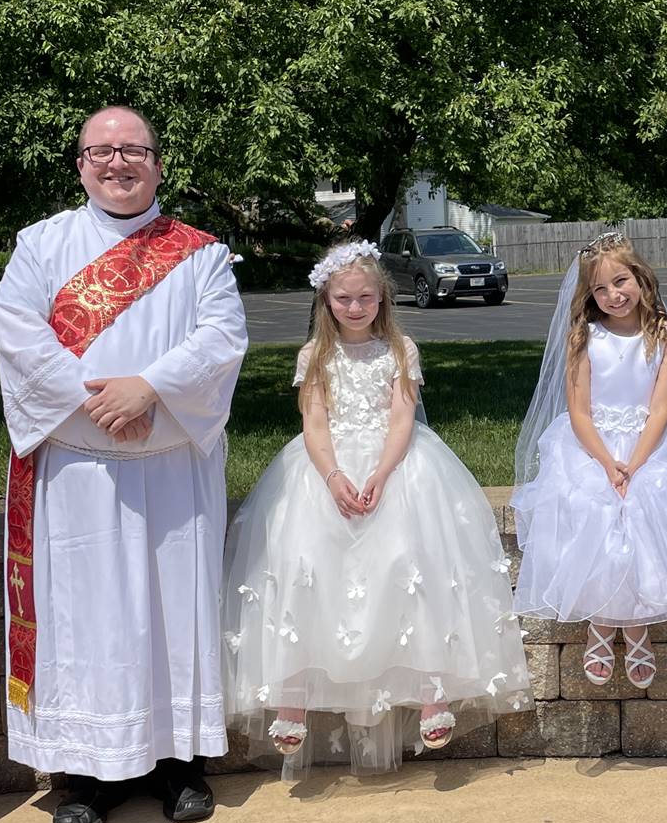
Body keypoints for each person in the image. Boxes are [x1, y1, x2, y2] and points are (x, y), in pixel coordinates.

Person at [0, 106, 247, 823]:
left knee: (173, 612)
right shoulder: (40, 245)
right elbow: (18, 337)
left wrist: (152, 391)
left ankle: (179, 766)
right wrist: (100, 404)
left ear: (158, 163)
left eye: (132, 150)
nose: (117, 163)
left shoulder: (200, 252)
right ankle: (82, 775)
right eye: (100, 151)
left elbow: (222, 339)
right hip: (77, 467)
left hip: (170, 464)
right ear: (80, 165)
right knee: (85, 620)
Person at [223, 242, 531, 776]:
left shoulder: (400, 350)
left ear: (382, 298)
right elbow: (314, 426)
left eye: (366, 297)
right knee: (306, 559)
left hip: (397, 464)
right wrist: (335, 476)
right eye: (344, 298)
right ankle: (292, 692)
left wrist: (383, 473)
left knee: (411, 561)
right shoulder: (314, 355)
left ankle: (432, 687)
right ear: (327, 300)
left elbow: (402, 421)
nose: (355, 307)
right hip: (326, 467)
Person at [512, 233, 667, 686]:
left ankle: (635, 627)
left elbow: (659, 409)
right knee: (596, 512)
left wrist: (634, 462)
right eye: (600, 289)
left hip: (651, 445)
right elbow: (579, 412)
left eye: (621, 281)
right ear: (589, 296)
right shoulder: (583, 339)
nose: (613, 295)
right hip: (591, 446)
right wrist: (608, 463)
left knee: (649, 509)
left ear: (641, 278)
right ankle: (603, 623)